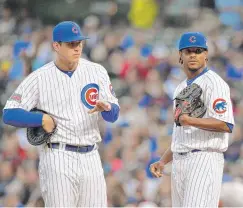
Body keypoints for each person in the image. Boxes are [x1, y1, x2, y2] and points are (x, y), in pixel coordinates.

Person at [2, 21, 120, 207]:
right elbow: (9, 113)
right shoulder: (39, 77)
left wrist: (108, 108)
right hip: (58, 156)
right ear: (56, 46)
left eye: (79, 43)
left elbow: (113, 116)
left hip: (91, 155)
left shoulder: (97, 71)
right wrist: (40, 119)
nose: (77, 48)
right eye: (71, 44)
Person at [149, 32, 234, 207]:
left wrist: (191, 121)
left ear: (206, 54)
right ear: (180, 55)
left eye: (198, 50)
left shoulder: (215, 84)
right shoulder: (180, 87)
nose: (193, 55)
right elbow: (181, 134)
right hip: (180, 161)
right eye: (188, 51)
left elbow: (226, 124)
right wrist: (164, 161)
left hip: (204, 159)